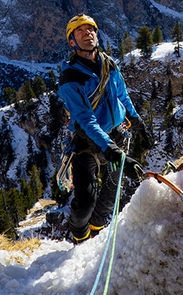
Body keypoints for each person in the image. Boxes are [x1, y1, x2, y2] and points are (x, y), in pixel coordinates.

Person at [58, 13, 153, 243]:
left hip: (116, 133)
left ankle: (96, 234)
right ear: (72, 42)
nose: (87, 33)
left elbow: (122, 94)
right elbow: (85, 119)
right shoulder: (70, 78)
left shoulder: (108, 64)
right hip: (88, 141)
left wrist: (137, 121)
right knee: (85, 203)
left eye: (90, 29)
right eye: (80, 31)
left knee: (109, 196)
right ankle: (80, 238)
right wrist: (113, 152)